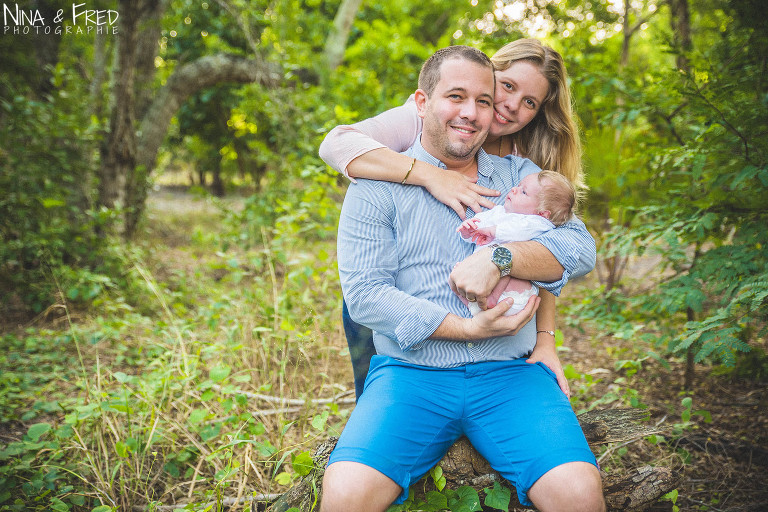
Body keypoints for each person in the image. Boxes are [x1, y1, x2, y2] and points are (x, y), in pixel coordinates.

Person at [321, 45, 604, 512]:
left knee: (579, 494)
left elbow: (579, 249)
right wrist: (466, 329)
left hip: (511, 375)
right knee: (346, 495)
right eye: (456, 97)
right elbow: (366, 297)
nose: (471, 113)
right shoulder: (375, 182)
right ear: (421, 102)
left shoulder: (521, 178)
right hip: (412, 373)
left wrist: (502, 257)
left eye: (485, 101)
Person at [319, 38, 587, 399]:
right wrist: (432, 175)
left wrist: (545, 341)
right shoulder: (428, 116)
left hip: (485, 309)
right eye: (506, 87)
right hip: (399, 282)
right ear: (488, 76)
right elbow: (336, 144)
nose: (510, 105)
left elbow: (548, 254)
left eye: (529, 102)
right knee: (377, 381)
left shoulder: (523, 167)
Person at [457, 170, 578, 317]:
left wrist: (494, 231)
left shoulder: (538, 223)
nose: (514, 189)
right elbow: (480, 228)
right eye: (518, 186)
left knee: (508, 269)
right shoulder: (499, 212)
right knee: (460, 273)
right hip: (478, 277)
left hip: (514, 295)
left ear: (542, 213)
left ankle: (492, 299)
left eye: (523, 192)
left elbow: (520, 231)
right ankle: (470, 301)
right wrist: (470, 230)